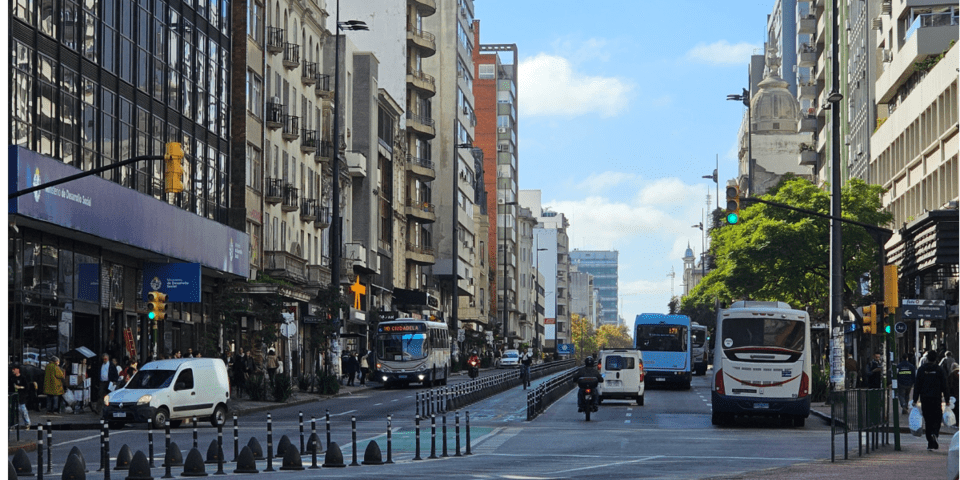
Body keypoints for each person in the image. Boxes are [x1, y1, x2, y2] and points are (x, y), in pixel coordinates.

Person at [913, 349, 949, 450]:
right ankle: (935, 433)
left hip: (925, 399)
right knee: (937, 418)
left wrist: (915, 399)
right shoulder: (939, 370)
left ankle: (930, 441)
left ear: (927, 358)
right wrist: (947, 398)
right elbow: (944, 385)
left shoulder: (921, 370)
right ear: (936, 359)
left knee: (928, 420)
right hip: (936, 398)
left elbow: (917, 385)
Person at [10, 364, 31, 429]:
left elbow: (27, 387)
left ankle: (27, 423)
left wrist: (21, 387)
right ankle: (13, 424)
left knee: (23, 410)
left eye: (14, 369)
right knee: (13, 411)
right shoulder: (12, 378)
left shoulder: (23, 378)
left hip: (21, 396)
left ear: (18, 370)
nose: (13, 370)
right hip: (14, 396)